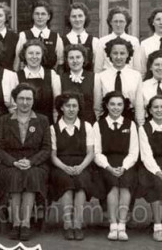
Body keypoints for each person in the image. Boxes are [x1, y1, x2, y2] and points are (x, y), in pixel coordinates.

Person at [0, 83, 51, 241]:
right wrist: (14, 162)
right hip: (10, 163)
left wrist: (31, 162)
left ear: (33, 101)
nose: (25, 102)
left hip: (36, 164)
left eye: (28, 99)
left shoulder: (42, 120)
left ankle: (25, 224)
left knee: (31, 175)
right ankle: (16, 223)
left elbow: (46, 149)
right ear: (15, 100)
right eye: (21, 99)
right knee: (14, 175)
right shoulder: (5, 120)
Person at [93, 91, 139, 241]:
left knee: (125, 184)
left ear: (124, 106)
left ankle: (122, 226)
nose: (116, 107)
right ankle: (113, 225)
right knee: (113, 185)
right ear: (106, 105)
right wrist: (108, 167)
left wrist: (124, 167)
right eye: (112, 104)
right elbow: (96, 152)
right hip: (105, 163)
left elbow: (134, 152)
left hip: (126, 162)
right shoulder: (98, 124)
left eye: (119, 104)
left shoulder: (130, 124)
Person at [50, 93, 94, 240]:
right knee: (66, 183)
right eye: (67, 106)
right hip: (61, 165)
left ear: (79, 107)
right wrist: (64, 167)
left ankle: (77, 223)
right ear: (61, 108)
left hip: (82, 164)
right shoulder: (53, 128)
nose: (71, 109)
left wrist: (81, 167)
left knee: (81, 183)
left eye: (74, 106)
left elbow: (91, 153)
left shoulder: (86, 126)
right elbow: (53, 155)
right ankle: (67, 223)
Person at [94, 37, 145, 126]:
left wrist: (140, 125)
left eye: (122, 53)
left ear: (128, 54)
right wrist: (100, 122)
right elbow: (98, 105)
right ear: (109, 54)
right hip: (107, 119)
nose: (118, 57)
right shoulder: (101, 76)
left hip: (129, 118)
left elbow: (139, 104)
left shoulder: (136, 76)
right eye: (115, 53)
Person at [17, 39, 61, 124]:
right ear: (24, 55)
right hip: (24, 125)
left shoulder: (52, 75)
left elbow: (56, 106)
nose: (34, 57)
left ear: (42, 55)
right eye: (30, 53)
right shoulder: (16, 76)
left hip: (47, 124)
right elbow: (14, 107)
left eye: (37, 53)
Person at [14, 0, 63, 71]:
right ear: (32, 16)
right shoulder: (23, 35)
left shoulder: (56, 37)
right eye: (37, 14)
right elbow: (17, 60)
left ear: (48, 17)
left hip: (48, 78)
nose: (40, 17)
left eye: (43, 14)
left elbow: (60, 61)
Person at [139, 95, 162, 242]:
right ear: (150, 111)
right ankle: (158, 226)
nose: (159, 110)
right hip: (150, 165)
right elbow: (146, 155)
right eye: (156, 107)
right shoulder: (144, 128)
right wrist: (158, 171)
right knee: (156, 182)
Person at [95, 6, 141, 74]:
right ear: (110, 22)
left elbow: (137, 67)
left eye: (121, 21)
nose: (118, 24)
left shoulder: (134, 41)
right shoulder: (102, 41)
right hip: (108, 79)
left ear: (126, 23)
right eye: (115, 21)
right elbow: (98, 68)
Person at [61, 44, 97, 124]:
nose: (75, 61)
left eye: (78, 57)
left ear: (83, 59)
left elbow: (97, 107)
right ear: (67, 60)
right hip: (67, 123)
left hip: (89, 122)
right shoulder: (60, 78)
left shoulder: (94, 77)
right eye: (71, 58)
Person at [61, 2, 99, 73]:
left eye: (80, 16)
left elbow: (96, 67)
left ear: (85, 17)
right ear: (69, 18)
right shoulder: (61, 41)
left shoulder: (95, 41)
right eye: (74, 16)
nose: (77, 19)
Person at [141, 8, 162, 79]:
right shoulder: (145, 44)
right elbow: (143, 69)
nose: (161, 22)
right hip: (151, 84)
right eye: (158, 19)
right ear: (153, 22)